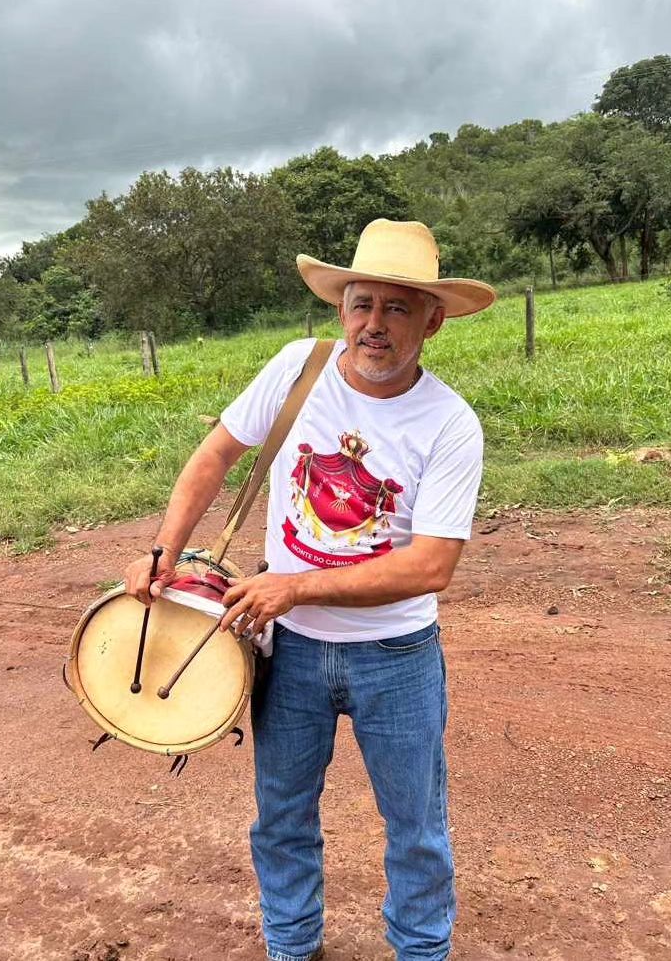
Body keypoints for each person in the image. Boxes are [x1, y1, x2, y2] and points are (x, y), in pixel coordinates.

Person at [124, 218, 495, 961]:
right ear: (340, 309)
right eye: (362, 304)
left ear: (433, 320)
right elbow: (215, 454)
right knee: (281, 816)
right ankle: (292, 949)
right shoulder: (299, 368)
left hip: (396, 655)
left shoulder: (450, 424)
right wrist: (163, 552)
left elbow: (430, 567)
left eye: (397, 308)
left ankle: (421, 951)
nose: (374, 325)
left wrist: (294, 587)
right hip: (288, 652)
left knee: (415, 825)